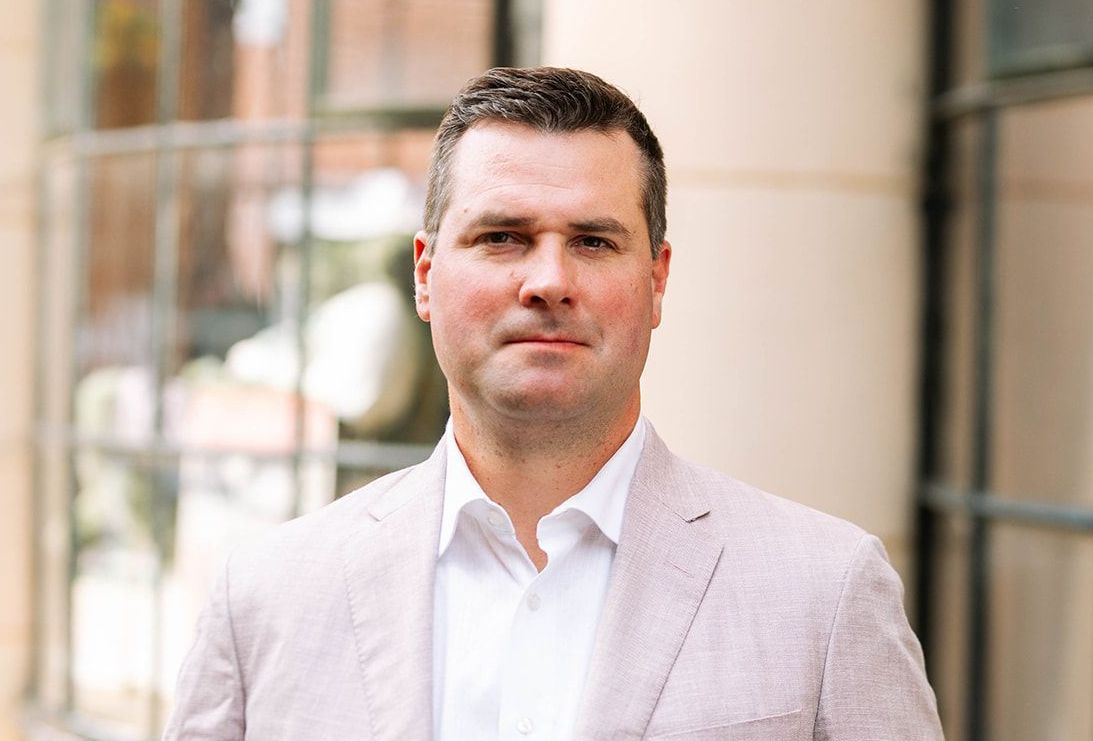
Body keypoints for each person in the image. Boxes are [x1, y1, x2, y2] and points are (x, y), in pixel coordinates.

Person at [165, 67, 944, 741]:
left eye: (594, 241)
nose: (546, 280)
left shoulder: (825, 590)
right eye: (502, 236)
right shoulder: (264, 596)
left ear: (658, 278)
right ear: (424, 272)